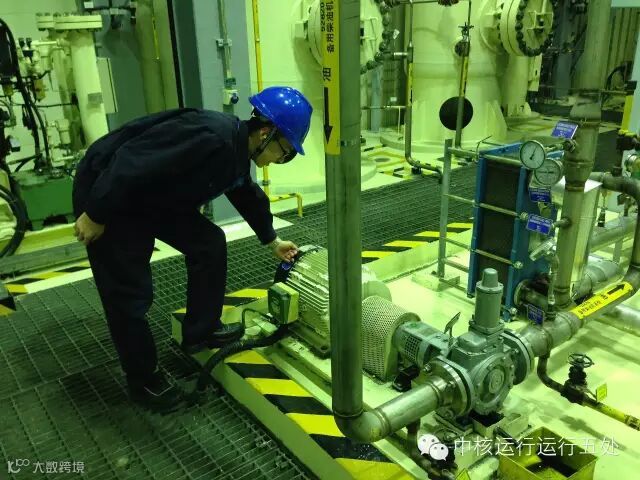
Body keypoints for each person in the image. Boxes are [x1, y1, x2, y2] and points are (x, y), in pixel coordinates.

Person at [72, 86, 312, 412]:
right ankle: (143, 380)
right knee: (129, 291)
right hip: (111, 190)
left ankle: (201, 330)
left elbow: (244, 193)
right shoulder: (210, 137)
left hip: (153, 195)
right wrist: (95, 213)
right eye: (284, 152)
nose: (279, 161)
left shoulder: (235, 151)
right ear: (265, 133)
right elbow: (131, 162)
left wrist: (273, 240)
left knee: (208, 243)